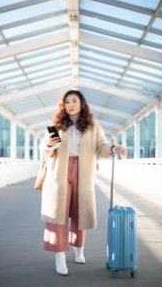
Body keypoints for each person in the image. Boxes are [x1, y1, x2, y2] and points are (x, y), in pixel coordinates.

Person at [39, 90, 127, 275]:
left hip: (83, 171)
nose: (70, 104)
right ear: (63, 105)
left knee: (80, 212)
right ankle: (59, 255)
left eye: (74, 100)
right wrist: (48, 145)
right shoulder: (56, 125)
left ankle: (78, 248)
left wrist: (112, 148)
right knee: (58, 214)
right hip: (59, 172)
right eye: (67, 101)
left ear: (81, 103)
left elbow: (100, 146)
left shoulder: (93, 126)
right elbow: (45, 149)